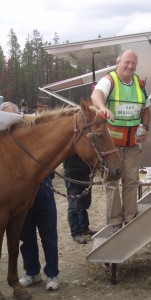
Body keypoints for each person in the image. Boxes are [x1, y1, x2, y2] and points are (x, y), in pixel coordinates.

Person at [91, 49, 150, 233]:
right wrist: (103, 108)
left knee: (131, 181)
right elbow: (96, 95)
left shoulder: (139, 84)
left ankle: (130, 217)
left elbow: (146, 109)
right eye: (127, 62)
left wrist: (145, 127)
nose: (130, 66)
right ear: (119, 63)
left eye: (133, 63)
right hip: (112, 146)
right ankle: (115, 221)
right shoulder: (109, 80)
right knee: (112, 182)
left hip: (132, 144)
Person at [17, 99, 60, 291]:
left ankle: (52, 275)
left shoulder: (38, 143)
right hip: (23, 198)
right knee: (26, 237)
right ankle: (32, 272)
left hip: (43, 193)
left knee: (48, 236)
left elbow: (51, 166)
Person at [63, 154, 97, 244]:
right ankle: (76, 233)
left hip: (85, 173)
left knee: (84, 203)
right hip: (73, 174)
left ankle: (84, 228)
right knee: (74, 206)